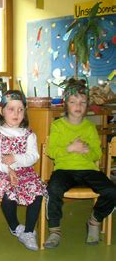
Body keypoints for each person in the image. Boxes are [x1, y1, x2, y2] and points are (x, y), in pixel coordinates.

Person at [44, 79, 116, 248]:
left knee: (112, 191)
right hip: (64, 170)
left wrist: (87, 151)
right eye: (73, 102)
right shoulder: (57, 126)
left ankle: (94, 221)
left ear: (87, 105)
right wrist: (70, 148)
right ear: (66, 104)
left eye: (83, 102)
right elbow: (52, 151)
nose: (78, 106)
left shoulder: (90, 127)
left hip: (88, 170)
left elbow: (97, 153)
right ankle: (54, 230)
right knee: (53, 188)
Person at [0, 90, 46, 251]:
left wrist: (15, 158)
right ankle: (15, 226)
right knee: (8, 194)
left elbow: (33, 156)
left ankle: (28, 231)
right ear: (1, 111)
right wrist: (8, 169)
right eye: (11, 109)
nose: (16, 113)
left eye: (20, 109)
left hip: (25, 172)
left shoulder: (29, 134)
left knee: (37, 193)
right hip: (2, 173)